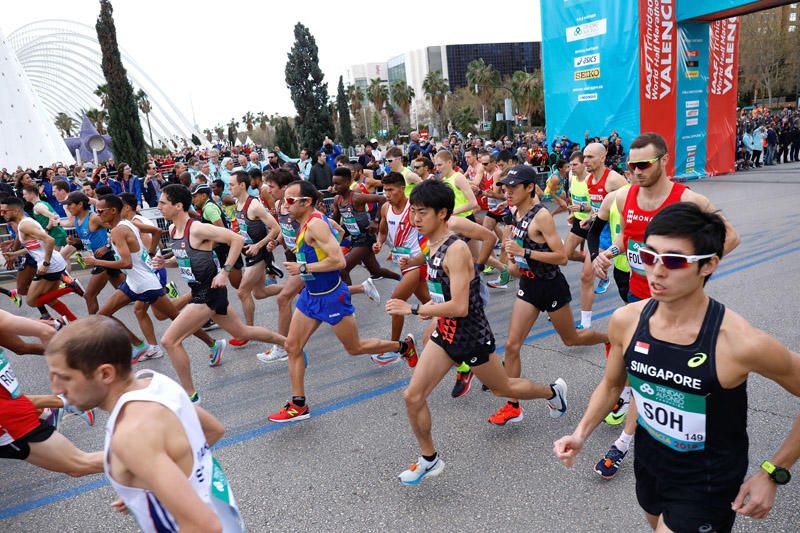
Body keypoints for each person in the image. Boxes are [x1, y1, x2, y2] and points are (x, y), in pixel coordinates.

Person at [555, 203, 798, 532]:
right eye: (648, 255)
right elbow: (613, 385)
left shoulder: (740, 342)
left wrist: (773, 472)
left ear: (708, 265)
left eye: (673, 261)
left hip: (708, 482)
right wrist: (581, 432)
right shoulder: (626, 321)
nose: (656, 270)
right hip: (650, 464)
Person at [387, 180, 567, 484]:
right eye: (413, 213)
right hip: (445, 334)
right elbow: (441, 292)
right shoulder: (431, 242)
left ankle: (552, 391)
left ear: (442, 213)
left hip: (470, 334)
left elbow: (459, 307)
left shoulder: (455, 250)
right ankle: (429, 459)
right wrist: (423, 287)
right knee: (413, 396)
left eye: (421, 213)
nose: (415, 219)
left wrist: (415, 310)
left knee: (503, 388)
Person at [590, 131, 741, 479]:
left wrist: (693, 277)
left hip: (670, 305)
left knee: (650, 373)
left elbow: (730, 237)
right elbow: (628, 238)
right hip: (636, 296)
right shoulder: (625, 196)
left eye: (644, 164)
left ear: (664, 161)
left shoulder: (687, 198)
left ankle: (624, 442)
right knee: (639, 370)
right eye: (631, 165)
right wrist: (606, 255)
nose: (636, 171)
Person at [46, 316, 245, 532]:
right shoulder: (157, 383)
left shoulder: (130, 434)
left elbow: (205, 526)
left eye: (64, 377)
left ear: (105, 373)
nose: (56, 389)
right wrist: (156, 483)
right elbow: (214, 429)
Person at [267, 180, 418, 423]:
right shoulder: (308, 221)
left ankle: (402, 347)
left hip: (331, 296)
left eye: (290, 200)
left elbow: (338, 262)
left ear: (306, 203)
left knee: (354, 347)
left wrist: (303, 266)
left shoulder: (315, 225)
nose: (284, 205)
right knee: (293, 347)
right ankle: (298, 404)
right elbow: (337, 232)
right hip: (311, 295)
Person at [487, 166, 607, 426]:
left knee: (571, 340)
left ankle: (610, 338)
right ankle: (513, 406)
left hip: (551, 285)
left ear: (529, 187)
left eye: (513, 188)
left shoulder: (541, 216)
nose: (507, 192)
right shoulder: (513, 211)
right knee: (511, 346)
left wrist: (526, 253)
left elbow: (562, 257)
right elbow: (511, 245)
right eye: (505, 188)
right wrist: (511, 262)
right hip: (529, 286)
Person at [154, 185, 286, 402]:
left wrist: (225, 272)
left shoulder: (196, 228)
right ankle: (288, 343)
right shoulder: (172, 231)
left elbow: (237, 239)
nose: (159, 207)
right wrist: (164, 262)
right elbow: (183, 260)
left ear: (178, 206)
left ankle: (190, 396)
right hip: (200, 290)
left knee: (170, 341)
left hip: (208, 293)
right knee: (242, 332)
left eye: (163, 203)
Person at [86, 194, 223, 365]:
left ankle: (213, 344)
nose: (97, 214)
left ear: (113, 211)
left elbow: (127, 263)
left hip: (145, 284)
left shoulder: (118, 230)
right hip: (134, 282)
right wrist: (149, 253)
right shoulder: (129, 223)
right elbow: (156, 232)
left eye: (100, 211)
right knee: (103, 315)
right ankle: (139, 345)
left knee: (175, 316)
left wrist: (95, 261)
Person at [1, 312, 102, 477]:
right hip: (12, 408)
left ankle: (148, 463)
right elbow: (45, 332)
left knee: (79, 464)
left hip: (8, 419)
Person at [371, 172, 431, 362]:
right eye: (384, 189)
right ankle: (457, 333)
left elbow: (431, 231)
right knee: (433, 306)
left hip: (417, 263)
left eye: (390, 190)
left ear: (402, 189)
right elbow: (383, 231)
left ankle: (396, 348)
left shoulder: (414, 209)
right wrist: (379, 243)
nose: (386, 193)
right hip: (403, 264)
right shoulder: (385, 208)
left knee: (395, 301)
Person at [0, 197, 81, 321]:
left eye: (5, 211)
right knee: (51, 300)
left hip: (50, 267)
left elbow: (50, 240)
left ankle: (70, 287)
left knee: (32, 301)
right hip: (55, 264)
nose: (2, 214)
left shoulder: (25, 225)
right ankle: (75, 321)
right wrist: (15, 253)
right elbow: (37, 246)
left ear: (15, 211)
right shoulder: (26, 222)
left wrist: (45, 263)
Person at [228, 170, 283, 346]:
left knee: (242, 292)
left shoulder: (254, 205)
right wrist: (238, 233)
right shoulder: (237, 203)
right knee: (260, 293)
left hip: (260, 253)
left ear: (242, 185)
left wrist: (258, 245)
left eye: (231, 185)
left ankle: (247, 332)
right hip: (250, 253)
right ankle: (295, 288)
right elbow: (245, 227)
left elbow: (275, 228)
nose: (229, 188)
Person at [331, 167, 399, 288]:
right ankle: (401, 278)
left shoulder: (356, 197)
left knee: (343, 269)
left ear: (348, 183)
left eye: (338, 184)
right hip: (355, 239)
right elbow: (336, 222)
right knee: (376, 271)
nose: (335, 187)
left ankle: (347, 303)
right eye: (334, 183)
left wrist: (376, 221)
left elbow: (381, 199)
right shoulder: (338, 199)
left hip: (366, 238)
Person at [65, 191, 126, 314]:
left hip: (105, 258)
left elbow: (118, 229)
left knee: (89, 295)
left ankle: (94, 325)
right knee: (126, 290)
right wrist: (75, 241)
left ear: (80, 204)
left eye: (70, 204)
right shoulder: (77, 220)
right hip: (98, 258)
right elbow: (86, 241)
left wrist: (107, 245)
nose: (67, 207)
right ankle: (153, 293)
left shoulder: (94, 218)